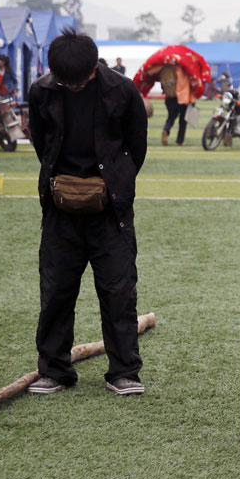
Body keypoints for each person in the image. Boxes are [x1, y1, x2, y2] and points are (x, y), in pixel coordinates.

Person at [26, 30, 148, 396]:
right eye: (66, 81)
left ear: (94, 68)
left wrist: (115, 183)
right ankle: (55, 370)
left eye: (79, 81)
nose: (73, 87)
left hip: (110, 211)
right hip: (60, 211)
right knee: (56, 290)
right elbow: (40, 141)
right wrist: (60, 184)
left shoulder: (123, 91)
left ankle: (124, 371)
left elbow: (135, 147)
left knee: (118, 291)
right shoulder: (42, 91)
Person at [160, 65, 193, 146]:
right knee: (183, 121)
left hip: (169, 98)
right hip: (182, 98)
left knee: (171, 118)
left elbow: (163, 85)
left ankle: (166, 129)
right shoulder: (185, 71)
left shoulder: (166, 69)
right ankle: (180, 141)